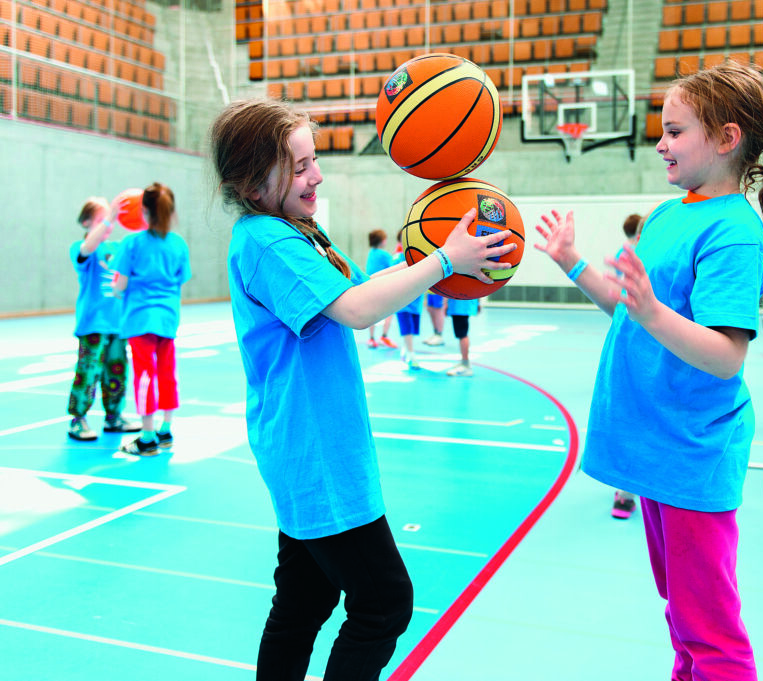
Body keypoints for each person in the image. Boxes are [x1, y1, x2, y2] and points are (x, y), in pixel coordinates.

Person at [208, 98, 515, 680]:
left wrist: (425, 255)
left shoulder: (295, 231)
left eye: (314, 160)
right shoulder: (268, 241)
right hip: (316, 451)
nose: (316, 175)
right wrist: (444, 258)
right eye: (300, 167)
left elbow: (361, 285)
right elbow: (353, 308)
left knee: (304, 602)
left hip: (311, 446)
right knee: (383, 604)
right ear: (252, 183)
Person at [535, 61, 763, 681]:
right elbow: (630, 314)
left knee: (711, 631)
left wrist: (655, 312)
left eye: (675, 131)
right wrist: (575, 262)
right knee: (681, 612)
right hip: (656, 446)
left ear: (726, 138)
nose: (660, 143)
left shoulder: (733, 233)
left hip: (690, 454)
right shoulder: (669, 213)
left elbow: (724, 355)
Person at [111, 182, 190, 456]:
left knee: (145, 376)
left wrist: (117, 289)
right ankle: (166, 429)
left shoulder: (132, 243)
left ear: (143, 210)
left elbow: (119, 285)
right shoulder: (179, 244)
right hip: (168, 319)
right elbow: (179, 281)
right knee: (167, 373)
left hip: (140, 319)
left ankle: (146, 436)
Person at [66, 197, 140, 441]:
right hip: (93, 325)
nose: (107, 224)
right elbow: (88, 248)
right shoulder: (81, 246)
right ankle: (78, 419)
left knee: (117, 372)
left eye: (108, 219)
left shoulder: (117, 247)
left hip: (118, 325)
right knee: (88, 372)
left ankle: (113, 417)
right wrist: (109, 218)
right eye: (100, 219)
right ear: (86, 222)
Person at [611, 212, 643, 520]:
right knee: (631, 419)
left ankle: (628, 489)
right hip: (631, 343)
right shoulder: (632, 253)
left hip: (650, 343)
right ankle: (624, 491)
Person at [392, 228, 424, 370]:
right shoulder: (397, 259)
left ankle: (405, 350)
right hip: (402, 302)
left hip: (416, 301)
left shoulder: (418, 257)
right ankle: (411, 354)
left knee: (413, 329)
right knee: (408, 329)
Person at [365, 229, 397, 349]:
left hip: (370, 286)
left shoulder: (371, 253)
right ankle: (384, 336)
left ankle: (371, 338)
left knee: (371, 312)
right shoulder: (384, 255)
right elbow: (394, 266)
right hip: (381, 287)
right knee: (390, 310)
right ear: (382, 241)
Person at [444, 296, 478, 377]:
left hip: (459, 306)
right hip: (464, 304)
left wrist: (445, 303)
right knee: (462, 334)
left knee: (462, 334)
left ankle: (466, 365)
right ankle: (464, 361)